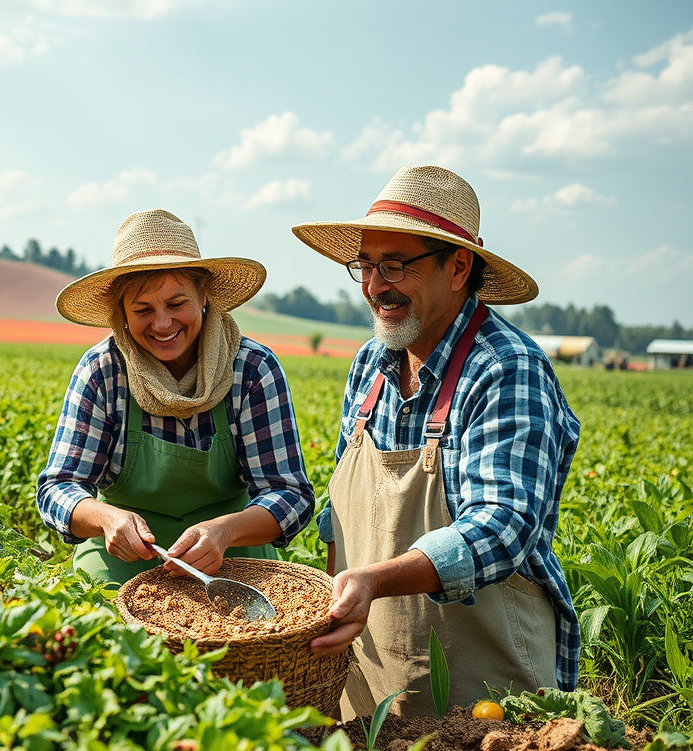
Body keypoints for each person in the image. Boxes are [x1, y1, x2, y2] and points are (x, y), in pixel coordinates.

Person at [291, 166, 581, 718]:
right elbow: (340, 519)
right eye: (367, 266)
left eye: (396, 264)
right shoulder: (369, 367)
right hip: (371, 690)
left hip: (488, 706)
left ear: (459, 266)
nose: (377, 285)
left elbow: (504, 525)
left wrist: (373, 581)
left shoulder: (505, 369)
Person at [37, 209, 315, 585]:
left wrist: (225, 531)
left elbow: (289, 494)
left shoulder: (251, 369)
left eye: (176, 303)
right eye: (143, 309)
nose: (163, 323)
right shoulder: (103, 371)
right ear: (121, 312)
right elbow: (58, 486)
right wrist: (106, 518)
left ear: (204, 294)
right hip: (123, 560)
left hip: (233, 559)